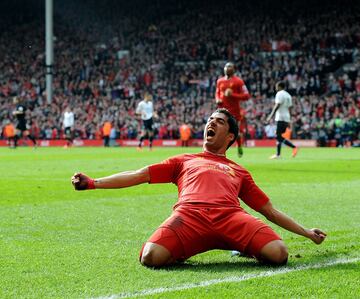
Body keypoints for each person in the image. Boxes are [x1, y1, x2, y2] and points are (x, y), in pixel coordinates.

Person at [71, 108, 326, 268]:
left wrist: (306, 233)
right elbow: (138, 175)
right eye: (210, 120)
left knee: (279, 253)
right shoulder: (184, 160)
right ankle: (188, 246)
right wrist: (93, 183)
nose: (210, 124)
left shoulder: (238, 171)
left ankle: (241, 245)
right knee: (150, 257)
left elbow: (269, 210)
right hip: (189, 218)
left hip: (230, 217)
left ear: (229, 138)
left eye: (219, 122)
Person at [215, 62, 251, 157]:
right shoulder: (220, 81)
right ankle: (221, 153)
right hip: (222, 110)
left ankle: (239, 146)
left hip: (235, 112)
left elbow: (247, 96)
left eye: (230, 66)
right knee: (221, 132)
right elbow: (217, 92)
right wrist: (217, 99)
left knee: (236, 133)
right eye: (226, 66)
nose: (227, 68)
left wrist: (233, 95)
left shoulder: (239, 81)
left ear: (234, 69)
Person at [267, 81, 298, 159]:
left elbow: (277, 105)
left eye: (276, 86)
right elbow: (290, 108)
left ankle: (294, 147)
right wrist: (289, 119)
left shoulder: (279, 94)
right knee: (279, 135)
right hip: (286, 117)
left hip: (280, 117)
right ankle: (278, 154)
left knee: (278, 136)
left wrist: (270, 116)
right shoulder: (288, 95)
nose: (275, 88)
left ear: (280, 87)